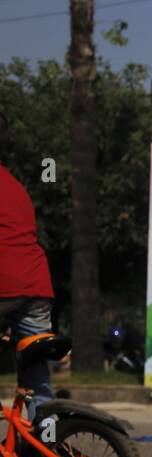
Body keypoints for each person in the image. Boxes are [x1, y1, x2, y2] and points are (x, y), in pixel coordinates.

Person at [0, 110, 55, 416]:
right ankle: (43, 442)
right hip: (36, 287)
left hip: (5, 283)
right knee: (36, 376)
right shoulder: (16, 186)